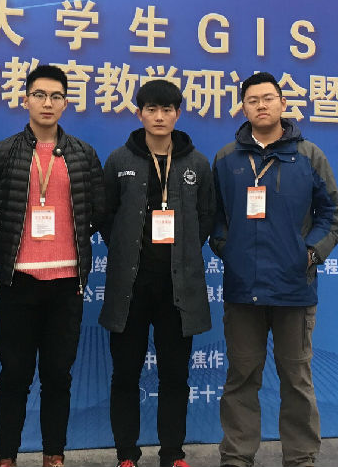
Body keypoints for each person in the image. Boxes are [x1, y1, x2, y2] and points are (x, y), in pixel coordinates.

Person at [0, 64, 106, 467]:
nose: (48, 103)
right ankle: (6, 458)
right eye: (40, 95)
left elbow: (98, 210)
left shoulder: (83, 154)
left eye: (56, 96)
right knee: (14, 375)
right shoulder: (4, 152)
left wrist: (71, 240)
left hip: (67, 283)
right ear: (25, 99)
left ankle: (54, 456)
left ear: (66, 103)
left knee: (58, 377)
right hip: (19, 281)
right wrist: (7, 244)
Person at [210, 71, 338, 467]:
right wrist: (228, 250)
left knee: (296, 378)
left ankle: (300, 457)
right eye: (252, 100)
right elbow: (214, 217)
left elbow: (331, 214)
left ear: (283, 103)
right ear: (243, 108)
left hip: (293, 288)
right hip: (243, 289)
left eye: (268, 98)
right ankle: (236, 456)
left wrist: (310, 254)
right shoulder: (227, 159)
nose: (261, 105)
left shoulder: (309, 155)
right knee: (241, 376)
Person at [99, 79, 214, 467]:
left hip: (177, 288)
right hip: (130, 286)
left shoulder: (197, 164)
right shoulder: (119, 160)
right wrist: (126, 248)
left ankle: (172, 454)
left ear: (178, 114)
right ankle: (126, 455)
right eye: (151, 109)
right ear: (139, 114)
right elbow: (105, 216)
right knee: (125, 375)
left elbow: (206, 217)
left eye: (167, 109)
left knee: (175, 376)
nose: (159, 116)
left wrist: (183, 252)